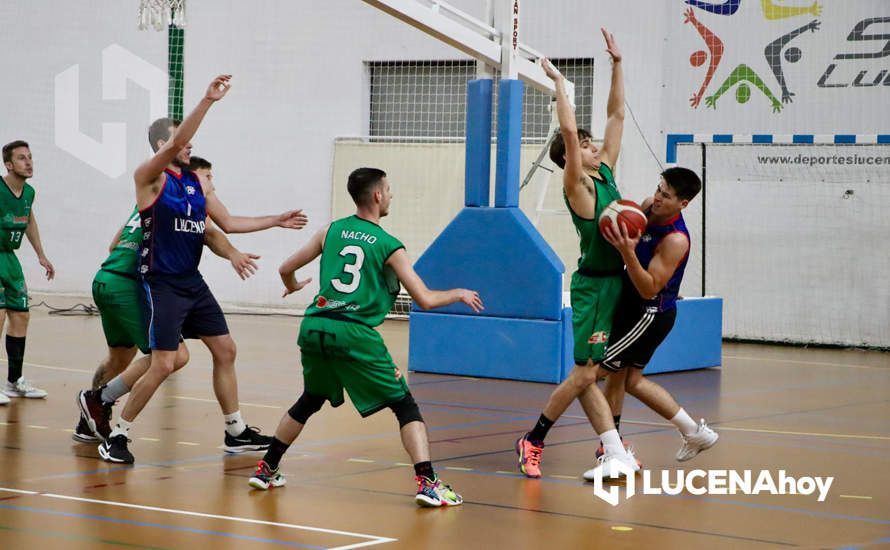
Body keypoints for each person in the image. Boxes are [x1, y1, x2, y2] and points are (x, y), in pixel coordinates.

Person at [96, 75, 308, 464]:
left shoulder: (195, 183)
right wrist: (207, 101)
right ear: (163, 145)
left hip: (192, 282)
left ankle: (235, 430)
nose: (190, 144)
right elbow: (179, 142)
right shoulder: (150, 178)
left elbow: (227, 223)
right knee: (164, 362)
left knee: (225, 349)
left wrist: (275, 219)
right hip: (161, 284)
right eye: (182, 139)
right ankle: (118, 434)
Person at [247, 167, 483, 508]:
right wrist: (458, 292)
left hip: (314, 326)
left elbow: (286, 268)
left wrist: (293, 287)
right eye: (388, 189)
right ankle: (428, 483)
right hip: (353, 331)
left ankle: (267, 469)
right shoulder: (389, 245)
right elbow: (426, 299)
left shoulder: (329, 231)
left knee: (310, 399)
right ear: (376, 195)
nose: (390, 195)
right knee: (405, 405)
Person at [515, 29, 638, 480]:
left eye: (590, 144)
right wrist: (559, 87)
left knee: (605, 370)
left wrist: (618, 65)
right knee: (586, 373)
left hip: (619, 281)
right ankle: (534, 438)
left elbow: (617, 115)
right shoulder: (578, 185)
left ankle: (612, 446)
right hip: (594, 287)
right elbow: (567, 130)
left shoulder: (603, 171)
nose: (594, 147)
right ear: (573, 158)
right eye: (586, 146)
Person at [73, 205, 259, 444]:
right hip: (128, 286)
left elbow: (113, 245)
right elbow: (215, 231)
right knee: (176, 356)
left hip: (106, 278)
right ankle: (98, 399)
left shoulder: (147, 201)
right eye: (208, 176)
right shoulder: (182, 200)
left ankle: (88, 422)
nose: (210, 183)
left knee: (119, 358)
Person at [591, 167, 718, 479]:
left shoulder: (676, 239)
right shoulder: (646, 207)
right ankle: (692, 432)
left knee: (588, 376)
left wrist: (626, 252)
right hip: (633, 306)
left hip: (650, 312)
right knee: (626, 380)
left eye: (667, 195)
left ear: (683, 204)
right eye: (660, 189)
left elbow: (649, 286)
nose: (658, 197)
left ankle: (613, 449)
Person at [0, 140, 55, 404]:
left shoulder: (29, 192)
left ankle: (14, 381)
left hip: (9, 259)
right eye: (22, 158)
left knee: (21, 316)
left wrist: (41, 255)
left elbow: (29, 220)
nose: (29, 162)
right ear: (8, 165)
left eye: (30, 157)